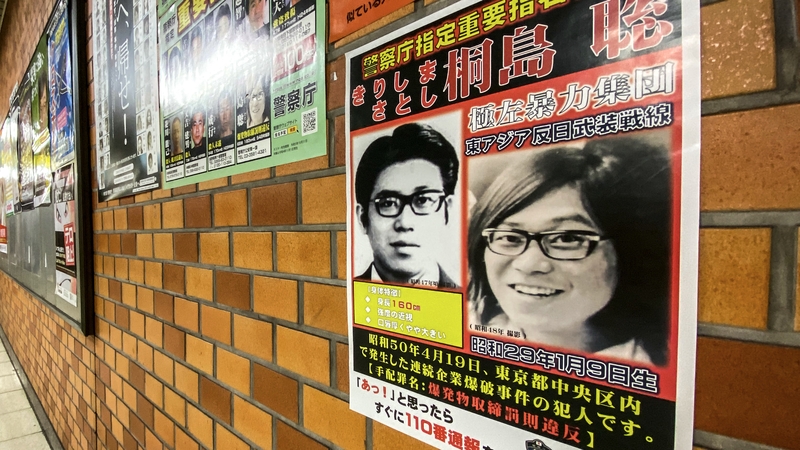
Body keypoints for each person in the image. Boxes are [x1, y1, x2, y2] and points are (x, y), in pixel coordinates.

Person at [467, 137, 671, 365]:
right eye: (510, 237)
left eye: (567, 238)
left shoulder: (657, 366)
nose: (529, 264)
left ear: (631, 251)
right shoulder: (464, 326)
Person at [354, 123, 459, 288]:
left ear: (447, 211)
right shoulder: (346, 292)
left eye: (423, 200)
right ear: (362, 218)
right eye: (388, 203)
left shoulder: (471, 306)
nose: (405, 223)